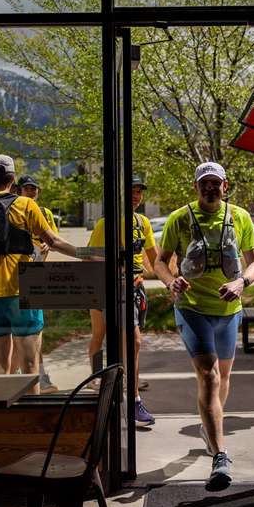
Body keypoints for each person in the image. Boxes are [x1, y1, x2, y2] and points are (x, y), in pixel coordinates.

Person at [153, 161, 254, 490]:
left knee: (222, 378)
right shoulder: (180, 217)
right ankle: (221, 457)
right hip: (192, 308)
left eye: (216, 183)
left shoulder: (240, 217)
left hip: (229, 308)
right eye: (205, 183)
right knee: (209, 375)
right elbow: (160, 260)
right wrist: (171, 282)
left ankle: (208, 427)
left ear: (225, 186)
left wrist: (242, 283)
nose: (210, 188)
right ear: (196, 187)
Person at [0, 154, 83, 389]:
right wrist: (89, 255)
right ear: (13, 179)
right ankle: (31, 417)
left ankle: (2, 420)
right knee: (29, 367)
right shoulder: (26, 205)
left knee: (0, 365)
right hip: (23, 292)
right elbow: (53, 241)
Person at [87, 174, 158, 425]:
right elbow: (89, 257)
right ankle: (97, 379)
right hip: (106, 287)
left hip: (134, 288)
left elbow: (155, 257)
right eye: (132, 191)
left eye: (139, 191)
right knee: (100, 334)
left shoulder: (143, 223)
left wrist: (170, 276)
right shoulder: (105, 224)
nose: (136, 195)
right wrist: (116, 269)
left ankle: (132, 396)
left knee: (133, 342)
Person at [18, 174, 60, 392]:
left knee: (35, 331)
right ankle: (30, 377)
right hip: (17, 278)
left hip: (37, 276)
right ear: (19, 190)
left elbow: (53, 240)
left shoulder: (45, 214)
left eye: (34, 189)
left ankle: (39, 375)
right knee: (23, 333)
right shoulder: (14, 212)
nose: (32, 192)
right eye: (28, 188)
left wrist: (48, 247)